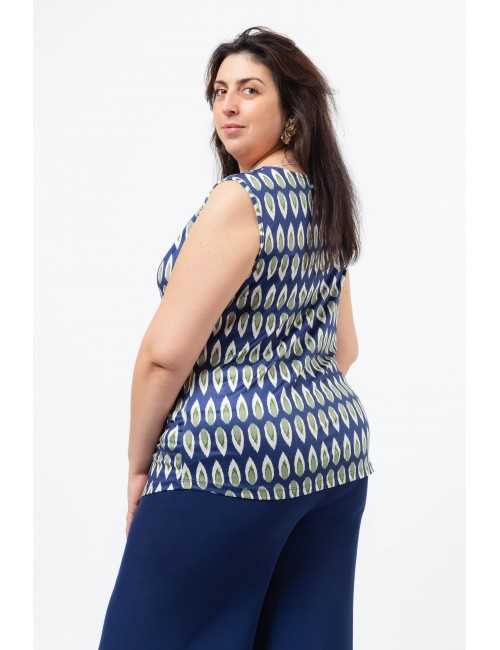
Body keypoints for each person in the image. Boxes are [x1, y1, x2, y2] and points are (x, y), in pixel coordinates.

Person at [98, 25, 375, 650]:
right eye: (219, 92)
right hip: (334, 452)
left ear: (292, 111)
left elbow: (164, 357)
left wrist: (140, 467)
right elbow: (344, 349)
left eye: (250, 90)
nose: (228, 106)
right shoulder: (322, 201)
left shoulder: (240, 201)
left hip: (225, 456)